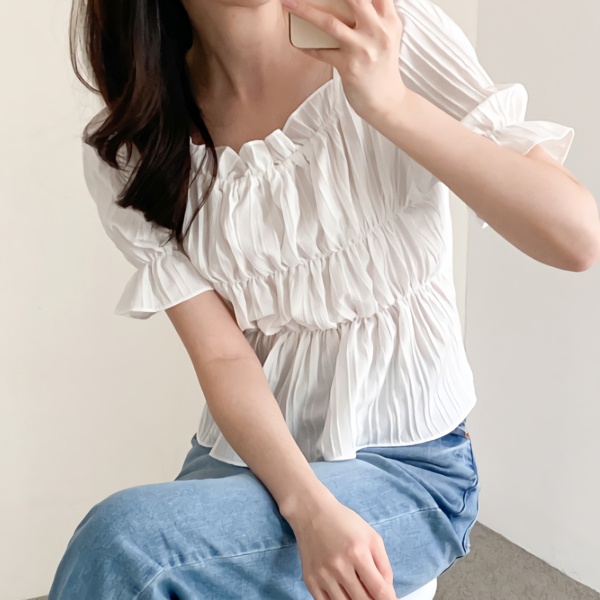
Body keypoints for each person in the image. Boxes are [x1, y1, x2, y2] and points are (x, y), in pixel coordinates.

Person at [49, 0, 586, 597]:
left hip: (410, 468)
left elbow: (576, 238)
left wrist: (390, 103)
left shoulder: (381, 33)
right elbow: (223, 356)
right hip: (251, 460)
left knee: (120, 545)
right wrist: (307, 506)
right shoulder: (137, 146)